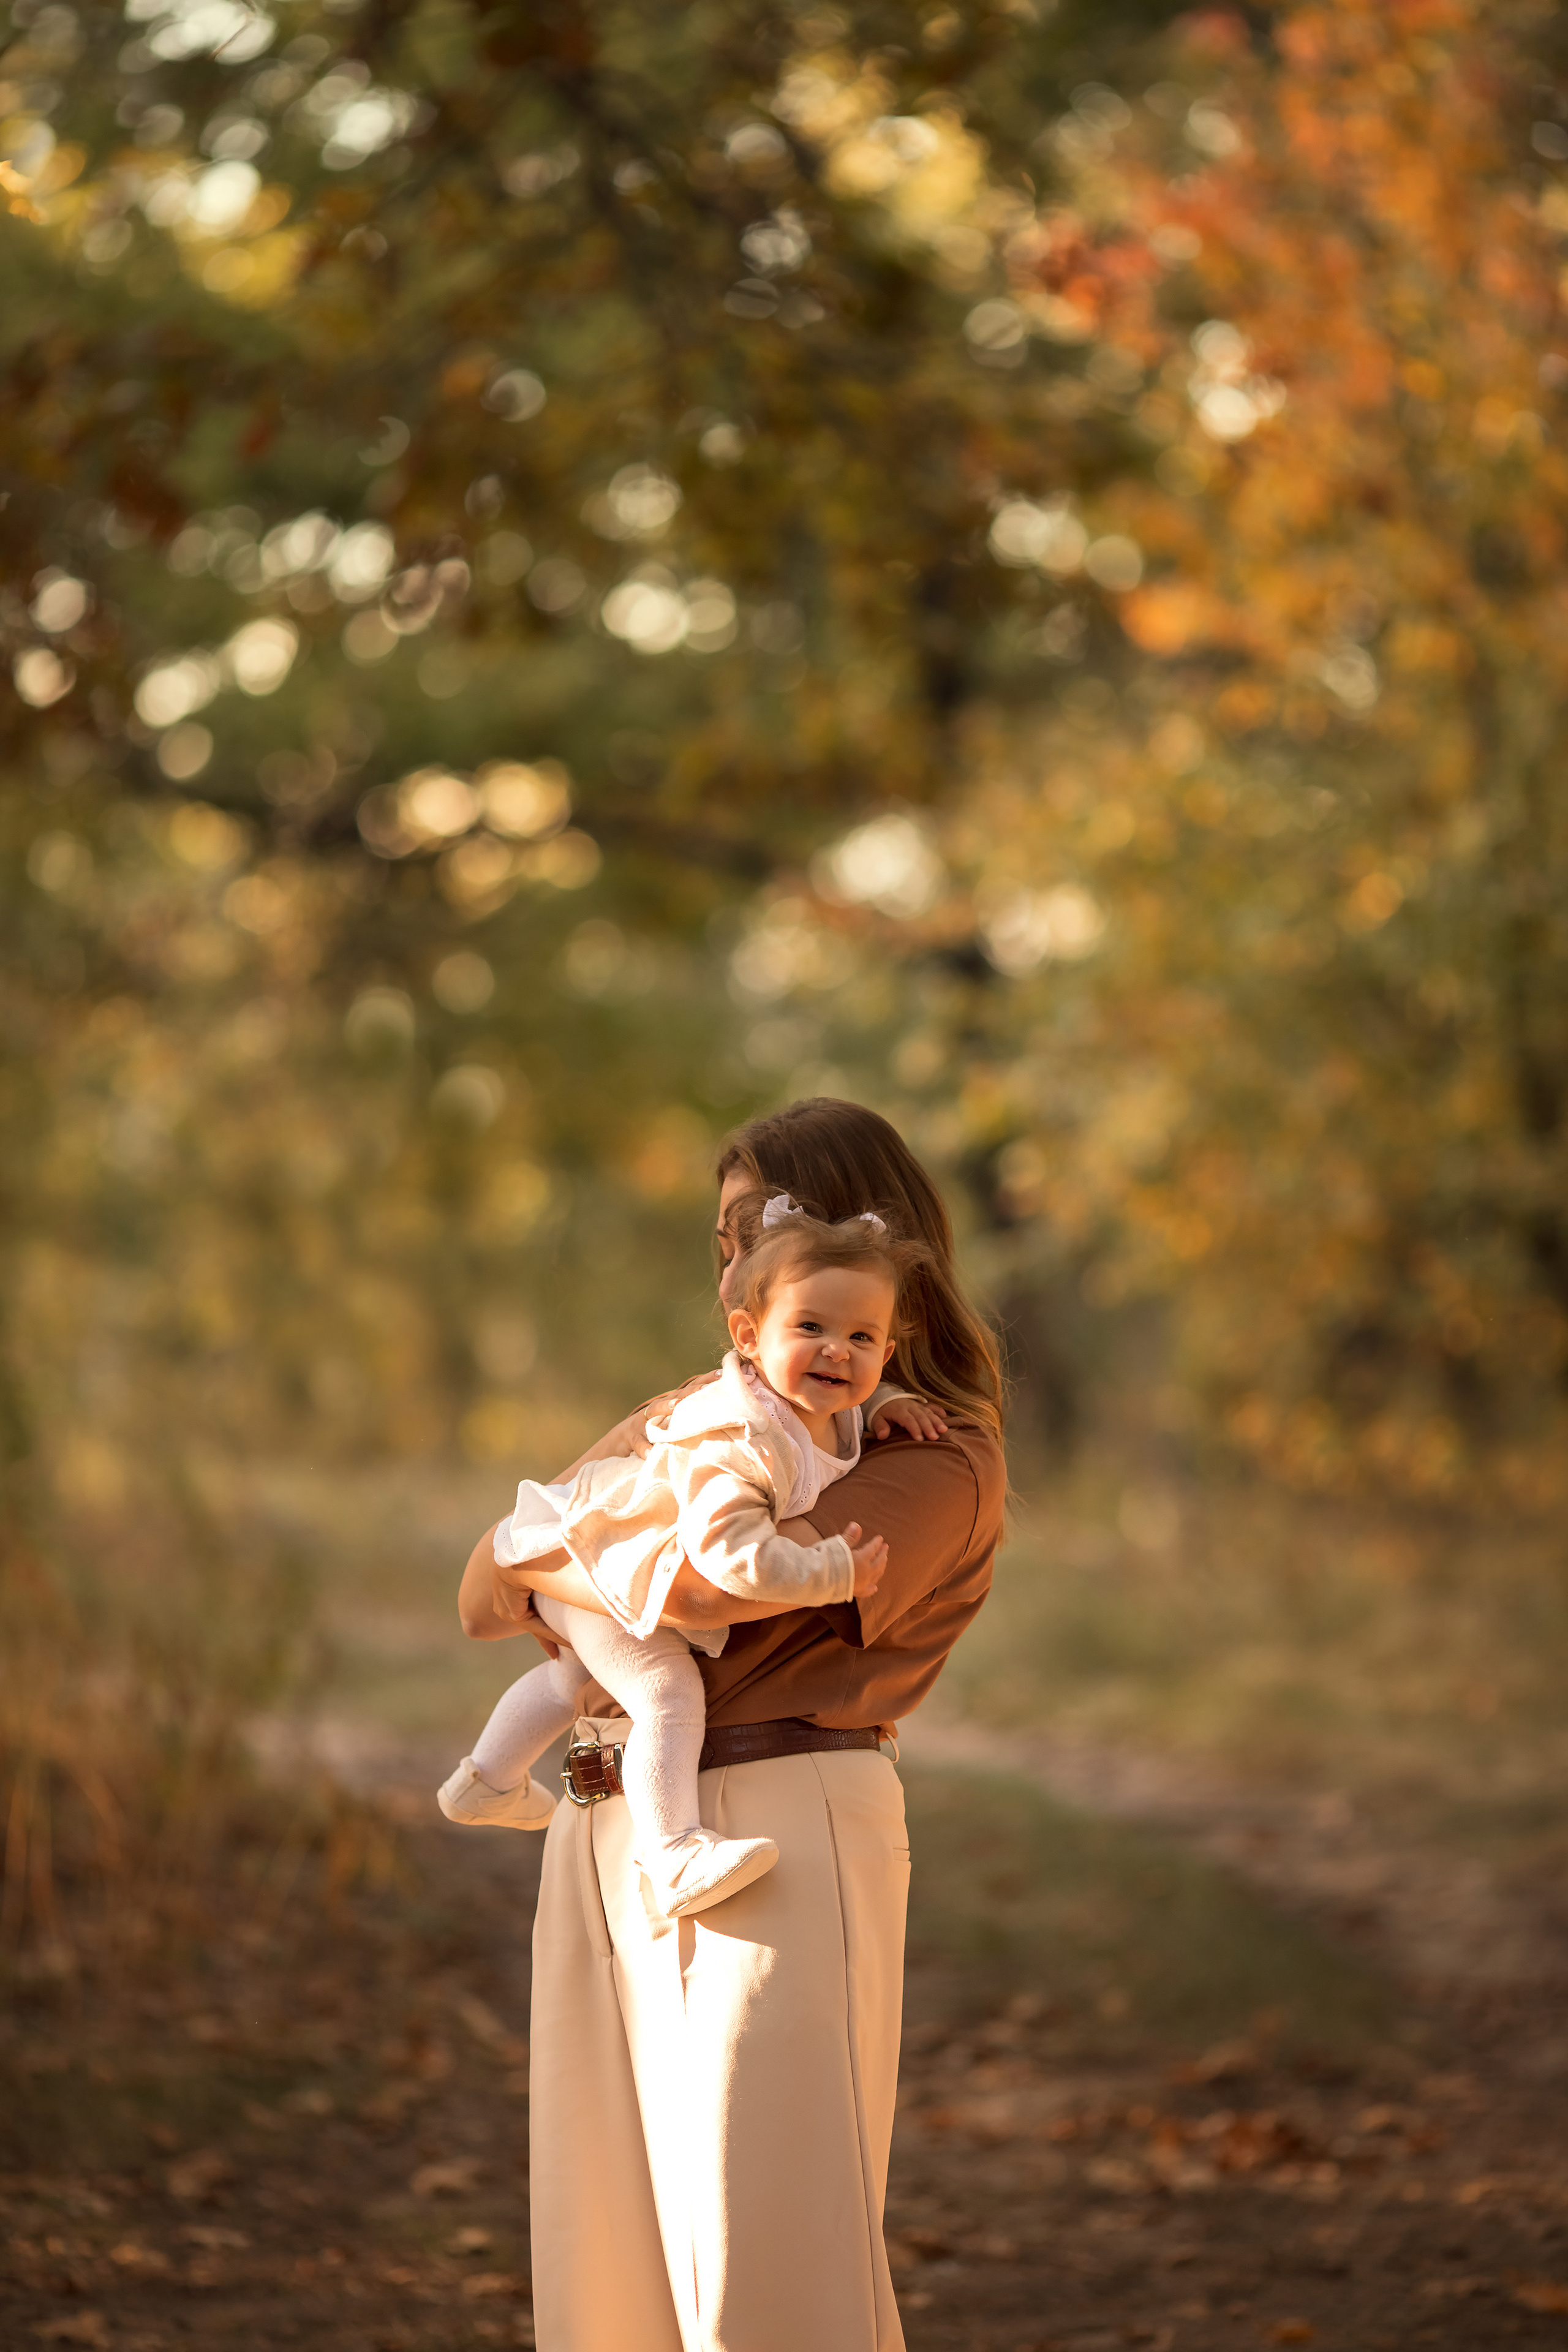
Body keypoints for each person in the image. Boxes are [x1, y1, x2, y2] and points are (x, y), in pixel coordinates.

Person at [456, 1098, 1007, 2352]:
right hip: (603, 1833)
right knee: (608, 2283)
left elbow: (702, 1585)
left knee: (765, 2268)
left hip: (777, 1833)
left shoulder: (937, 1460)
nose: (730, 1256)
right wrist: (558, 1550)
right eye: (721, 1239)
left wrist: (572, 1550)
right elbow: (481, 1590)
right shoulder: (705, 1423)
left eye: (754, 1222)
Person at [437, 1202, 942, 1919]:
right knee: (667, 1695)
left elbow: (838, 1379)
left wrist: (887, 1402)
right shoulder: (741, 1443)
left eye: (863, 1338)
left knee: (574, 1676)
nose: (838, 1351)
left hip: (612, 1565)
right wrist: (830, 1572)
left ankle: (485, 1780)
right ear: (749, 1336)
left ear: (887, 1353)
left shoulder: (824, 1403)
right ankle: (672, 1853)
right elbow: (724, 1560)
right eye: (811, 1329)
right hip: (604, 1562)